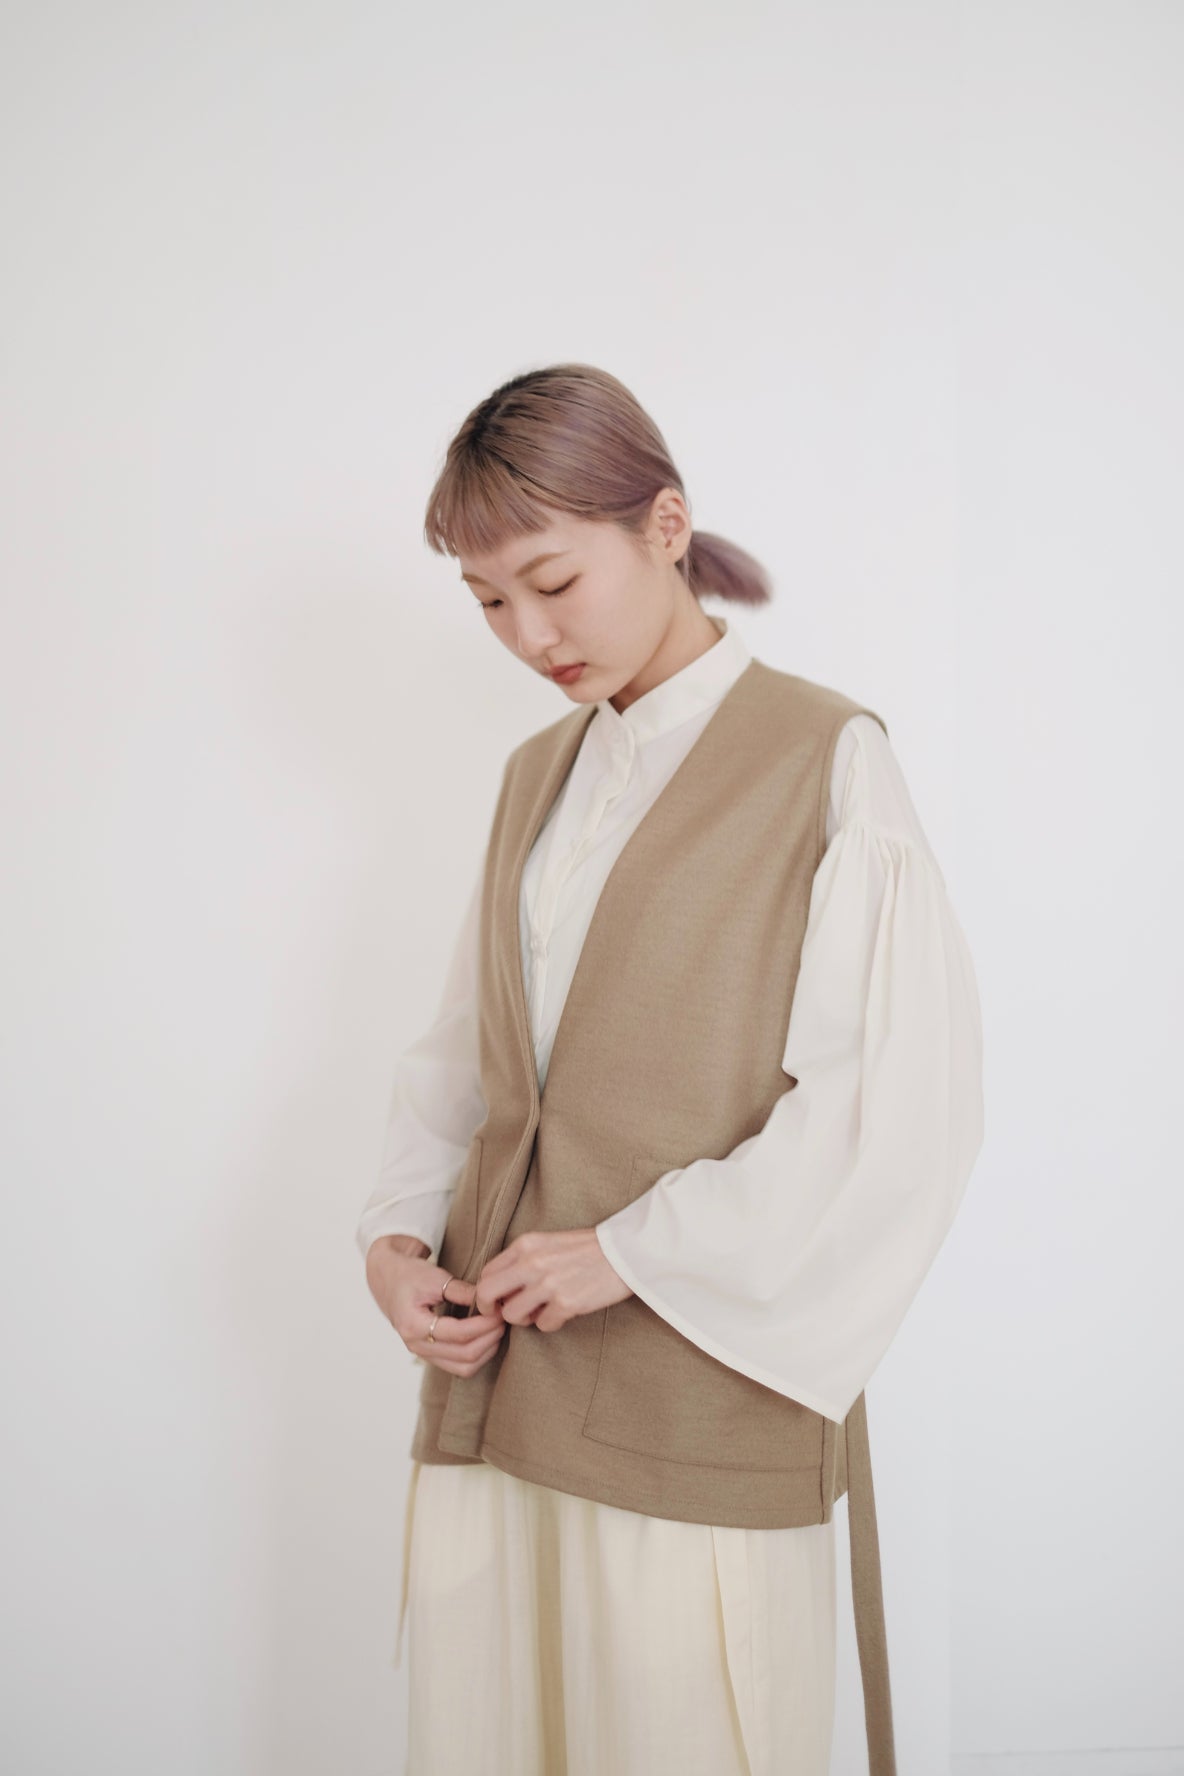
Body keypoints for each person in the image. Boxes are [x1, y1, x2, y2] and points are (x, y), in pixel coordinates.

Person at [357, 363, 984, 1776]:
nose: (528, 635)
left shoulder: (827, 758)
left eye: (552, 582)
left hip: (693, 1410)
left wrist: (627, 1253)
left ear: (666, 523)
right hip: (496, 1398)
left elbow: (897, 1110)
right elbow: (467, 1052)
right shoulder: (535, 774)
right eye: (487, 602)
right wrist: (394, 1243)